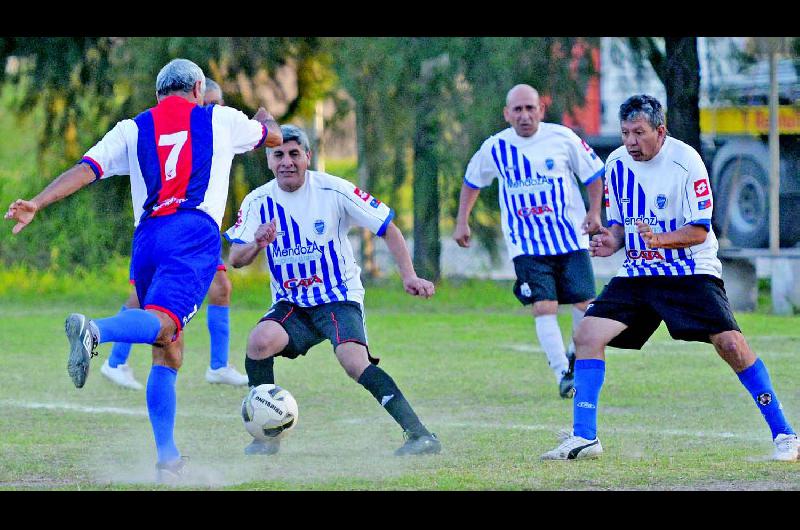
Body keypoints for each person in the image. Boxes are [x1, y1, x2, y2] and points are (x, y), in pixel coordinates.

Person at [4, 59, 283, 480]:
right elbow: (273, 136)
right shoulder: (220, 118)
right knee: (166, 325)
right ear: (199, 89)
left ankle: (168, 460)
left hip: (148, 239)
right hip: (193, 232)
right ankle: (96, 331)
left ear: (158, 95)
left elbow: (86, 170)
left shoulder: (132, 128)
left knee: (168, 349)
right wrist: (264, 117)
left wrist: (37, 203)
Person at [541, 94, 799, 462]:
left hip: (688, 272)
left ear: (660, 131)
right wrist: (610, 241)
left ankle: (785, 434)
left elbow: (699, 230)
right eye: (625, 133)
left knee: (731, 345)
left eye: (639, 133)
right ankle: (584, 437)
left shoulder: (686, 161)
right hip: (639, 273)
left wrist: (660, 240)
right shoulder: (616, 163)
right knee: (587, 334)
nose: (630, 141)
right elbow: (620, 227)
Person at [225, 124, 441, 457]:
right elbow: (236, 259)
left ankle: (420, 436)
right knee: (259, 342)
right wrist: (257, 242)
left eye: (294, 154)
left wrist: (409, 276)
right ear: (269, 160)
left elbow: (388, 228)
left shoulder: (333, 190)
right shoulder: (257, 201)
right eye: (278, 155)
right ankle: (266, 438)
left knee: (353, 362)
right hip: (293, 302)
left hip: (337, 296)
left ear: (307, 156)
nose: (287, 162)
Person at [453, 84, 604, 399]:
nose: (524, 115)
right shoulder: (495, 147)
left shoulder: (563, 138)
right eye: (517, 110)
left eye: (530, 108)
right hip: (527, 244)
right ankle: (562, 373)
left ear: (541, 110)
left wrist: (594, 212)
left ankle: (574, 354)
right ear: (507, 114)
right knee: (544, 305)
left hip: (570, 237)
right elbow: (472, 181)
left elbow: (593, 175)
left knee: (585, 304)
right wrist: (462, 221)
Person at [101, 78, 248, 390]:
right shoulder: (183, 131)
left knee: (220, 287)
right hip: (175, 229)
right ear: (196, 97)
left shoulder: (217, 129)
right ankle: (114, 358)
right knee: (148, 302)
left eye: (217, 104)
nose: (213, 109)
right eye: (208, 103)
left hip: (193, 232)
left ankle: (217, 365)